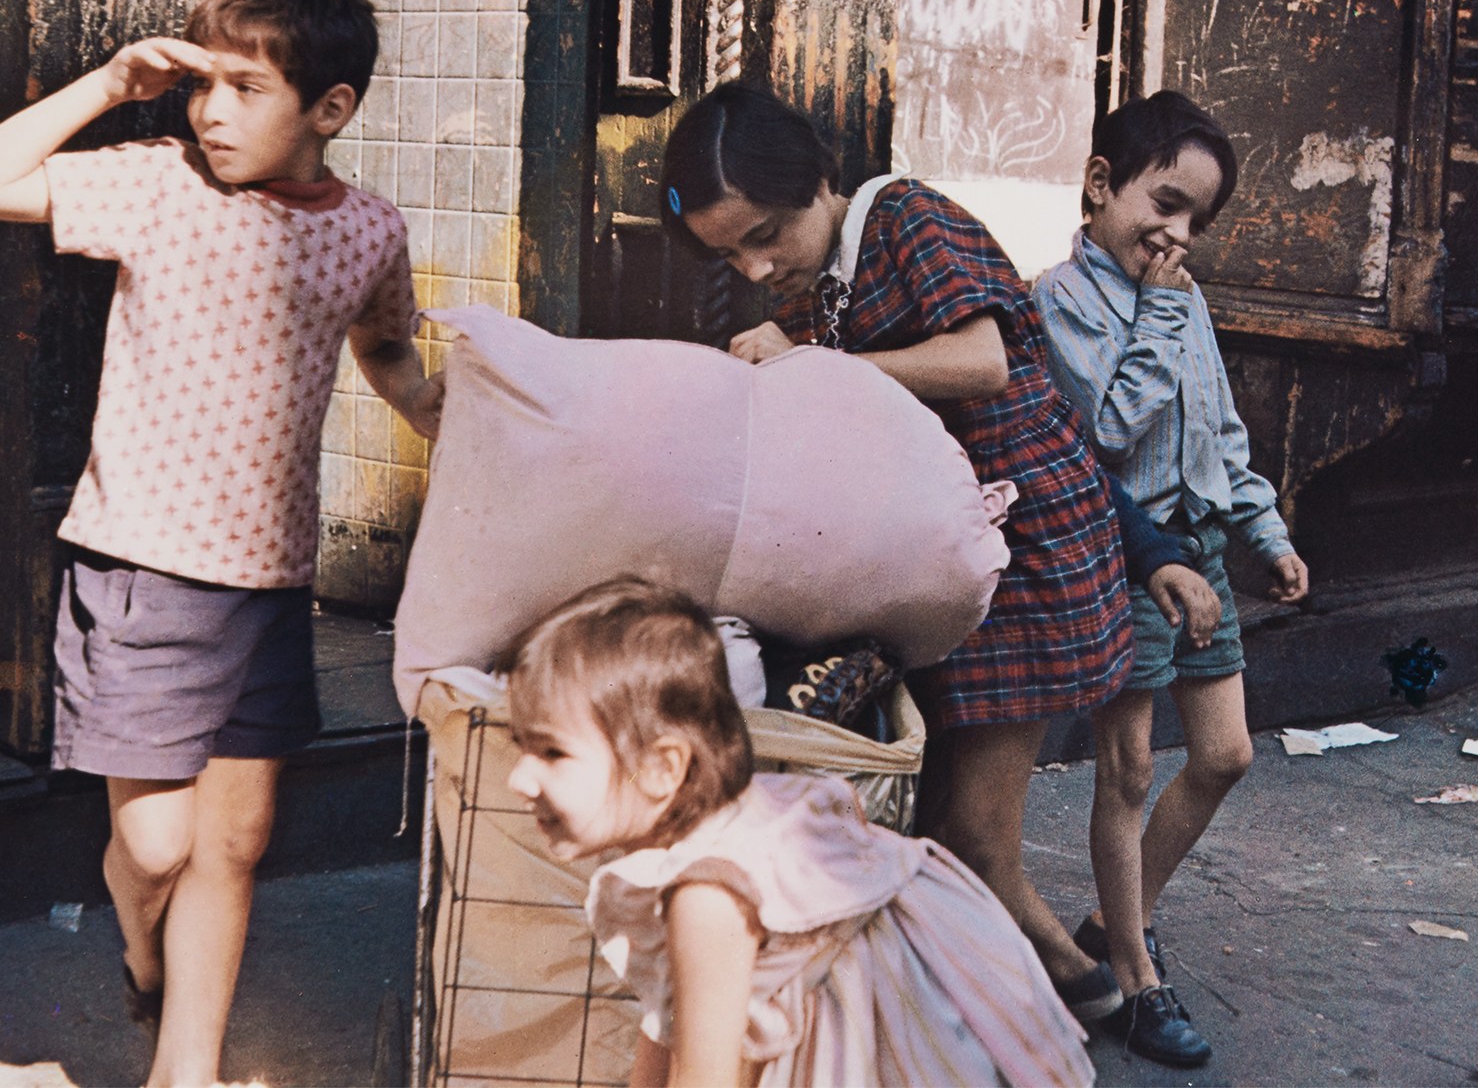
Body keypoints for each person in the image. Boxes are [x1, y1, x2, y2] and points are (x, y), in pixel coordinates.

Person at [0, 0, 442, 1088]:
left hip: (268, 583)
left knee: (233, 846)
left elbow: (384, 346)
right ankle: (134, 919)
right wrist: (108, 83)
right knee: (160, 848)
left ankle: (187, 1065)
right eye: (201, 85)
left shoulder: (370, 231)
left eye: (244, 89)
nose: (209, 113)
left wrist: (432, 406)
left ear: (332, 108)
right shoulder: (158, 187)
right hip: (144, 571)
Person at [657, 82, 1135, 1022]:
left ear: (822, 182)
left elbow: (981, 361)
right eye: (730, 254)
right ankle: (1014, 998)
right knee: (945, 820)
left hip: (1025, 550)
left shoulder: (907, 215)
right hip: (950, 560)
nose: (755, 268)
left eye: (764, 236)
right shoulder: (817, 289)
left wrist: (810, 365)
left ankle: (1087, 996)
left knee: (976, 836)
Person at [504, 577, 1098, 1088]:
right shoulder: (719, 827)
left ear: (663, 768)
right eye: (520, 747)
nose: (519, 778)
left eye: (552, 753)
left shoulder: (707, 893)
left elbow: (704, 1078)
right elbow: (668, 1024)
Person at [1032, 90, 1310, 1066]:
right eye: (1163, 202)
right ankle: (1139, 980)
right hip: (1124, 558)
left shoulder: (1183, 301)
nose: (1177, 233)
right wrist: (1156, 306)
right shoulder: (1058, 301)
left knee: (1224, 754)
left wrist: (1264, 534)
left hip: (1201, 554)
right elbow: (1109, 429)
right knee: (1128, 771)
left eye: (1197, 218)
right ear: (1102, 185)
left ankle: (1117, 922)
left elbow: (1219, 433)